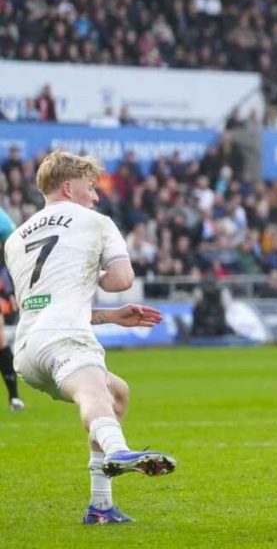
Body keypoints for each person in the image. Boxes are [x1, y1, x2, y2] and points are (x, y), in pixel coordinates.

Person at [4, 151, 177, 525]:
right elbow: (121, 280)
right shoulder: (95, 222)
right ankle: (119, 449)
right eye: (90, 187)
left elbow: (49, 303)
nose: (96, 197)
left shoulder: (16, 238)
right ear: (69, 186)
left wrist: (109, 317)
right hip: (65, 338)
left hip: (29, 350)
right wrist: (96, 279)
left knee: (117, 393)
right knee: (94, 391)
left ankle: (101, 507)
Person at [0, 207, 24, 410]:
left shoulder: (3, 220)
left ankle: (14, 396)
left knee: (0, 340)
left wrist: (9, 290)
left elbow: (11, 257)